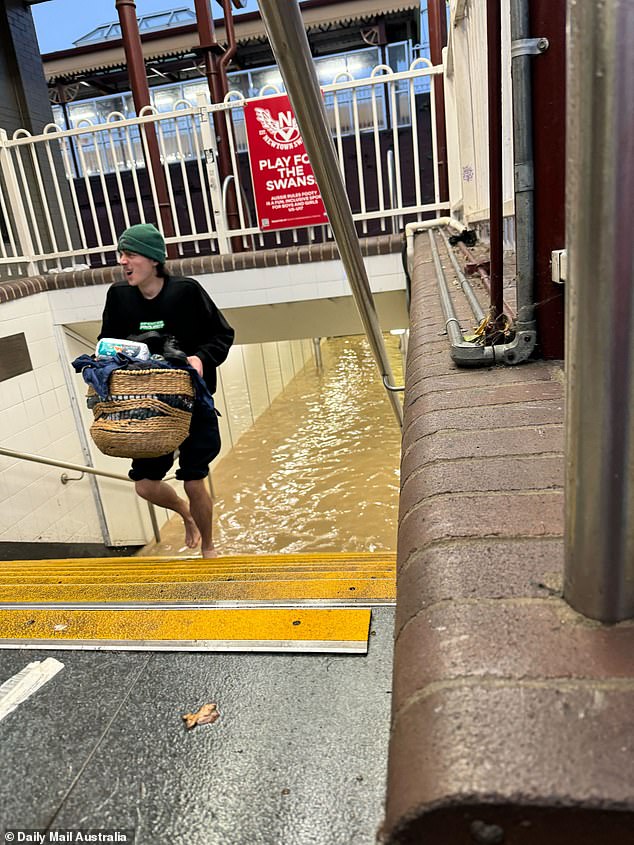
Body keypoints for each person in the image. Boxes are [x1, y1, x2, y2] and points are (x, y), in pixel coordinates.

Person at [99, 223, 234, 557]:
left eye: (130, 254)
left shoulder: (187, 292)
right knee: (144, 486)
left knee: (193, 479)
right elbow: (106, 344)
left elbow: (223, 335)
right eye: (121, 255)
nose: (123, 261)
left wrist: (201, 359)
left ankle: (209, 547)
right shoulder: (119, 297)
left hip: (192, 404)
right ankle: (185, 514)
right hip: (147, 407)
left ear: (154, 260)